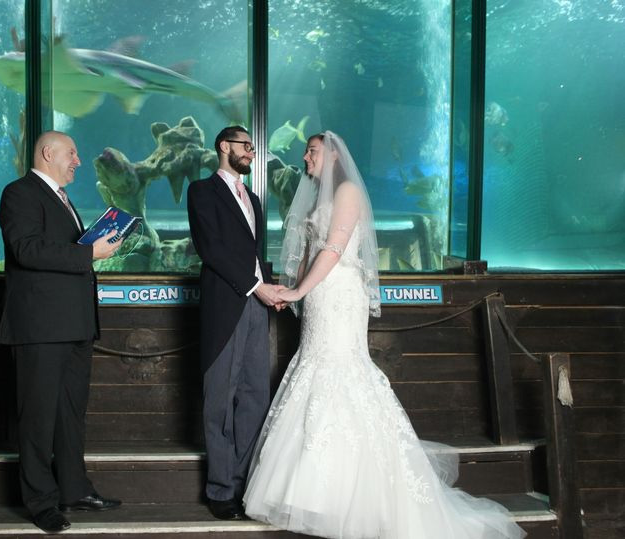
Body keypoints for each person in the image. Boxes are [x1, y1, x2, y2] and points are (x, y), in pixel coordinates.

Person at [243, 132, 526, 539]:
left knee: (341, 370)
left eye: (313, 151)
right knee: (313, 368)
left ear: (334, 154)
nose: (305, 158)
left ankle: (358, 495)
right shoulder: (318, 195)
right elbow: (308, 252)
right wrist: (294, 291)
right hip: (319, 298)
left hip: (340, 295)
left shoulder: (348, 191)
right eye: (306, 151)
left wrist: (299, 289)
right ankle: (318, 490)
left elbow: (335, 249)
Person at [0, 131, 123, 533]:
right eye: (72, 153)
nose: (79, 161)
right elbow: (27, 249)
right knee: (36, 417)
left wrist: (98, 244)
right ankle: (41, 502)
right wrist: (91, 253)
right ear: (48, 153)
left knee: (71, 415)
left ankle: (75, 489)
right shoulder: (19, 193)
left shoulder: (61, 198)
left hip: (75, 326)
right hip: (40, 328)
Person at [186, 126, 285, 521]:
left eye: (253, 147)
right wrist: (256, 286)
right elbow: (211, 249)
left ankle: (245, 484)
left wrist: (271, 288)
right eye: (245, 146)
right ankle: (220, 489)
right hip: (225, 306)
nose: (251, 152)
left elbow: (252, 253)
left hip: (256, 307)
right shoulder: (201, 192)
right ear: (224, 147)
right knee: (219, 400)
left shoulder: (255, 199)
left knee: (255, 395)